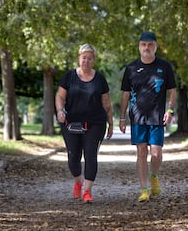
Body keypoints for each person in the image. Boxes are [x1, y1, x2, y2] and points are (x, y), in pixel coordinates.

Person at [119, 31, 176, 202]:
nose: (147, 48)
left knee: (156, 153)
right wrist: (122, 117)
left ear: (155, 47)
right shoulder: (130, 69)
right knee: (141, 152)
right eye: (143, 44)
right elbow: (125, 94)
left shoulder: (165, 67)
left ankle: (154, 176)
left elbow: (172, 90)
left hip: (157, 116)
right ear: (139, 47)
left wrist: (170, 110)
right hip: (137, 117)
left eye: (150, 45)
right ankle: (144, 189)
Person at [55, 43, 113, 203]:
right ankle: (78, 181)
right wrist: (60, 110)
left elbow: (107, 104)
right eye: (84, 58)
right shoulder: (69, 76)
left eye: (89, 58)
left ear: (93, 60)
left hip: (95, 123)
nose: (86, 61)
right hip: (71, 122)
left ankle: (87, 191)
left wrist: (111, 123)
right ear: (79, 58)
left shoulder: (100, 79)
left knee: (90, 154)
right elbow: (60, 96)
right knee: (73, 156)